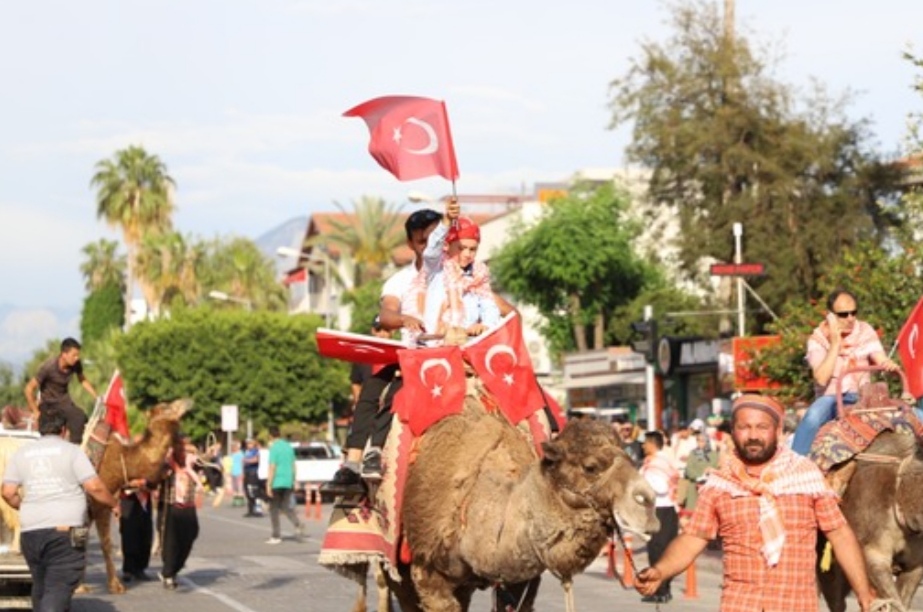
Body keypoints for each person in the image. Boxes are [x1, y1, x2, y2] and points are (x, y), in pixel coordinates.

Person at [635, 394, 876, 612]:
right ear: (733, 432)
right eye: (744, 427)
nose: (753, 435)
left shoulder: (806, 477)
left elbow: (840, 534)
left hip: (795, 605)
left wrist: (865, 595)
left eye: (762, 427)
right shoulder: (720, 485)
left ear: (778, 430)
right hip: (739, 604)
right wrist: (660, 571)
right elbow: (693, 538)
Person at [324, 209, 444, 494]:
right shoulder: (399, 282)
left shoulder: (459, 276)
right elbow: (387, 314)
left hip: (456, 354)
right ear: (410, 244)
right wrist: (403, 319)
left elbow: (494, 306)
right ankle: (356, 463)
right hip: (414, 357)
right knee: (375, 388)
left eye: (435, 238)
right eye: (421, 241)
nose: (429, 246)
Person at [1, 406, 120, 610]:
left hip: (31, 533)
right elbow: (94, 487)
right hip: (71, 530)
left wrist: (27, 507)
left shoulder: (22, 454)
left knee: (42, 585)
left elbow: (7, 492)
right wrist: (114, 503)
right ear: (64, 430)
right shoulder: (73, 452)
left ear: (39, 429)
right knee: (61, 584)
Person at [791, 288, 899, 455]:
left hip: (865, 397)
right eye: (843, 314)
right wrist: (835, 343)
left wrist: (888, 365)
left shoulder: (865, 331)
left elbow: (880, 358)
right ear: (830, 315)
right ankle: (795, 465)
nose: (850, 319)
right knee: (812, 417)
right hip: (831, 399)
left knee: (913, 415)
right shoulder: (817, 339)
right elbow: (820, 378)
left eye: (854, 313)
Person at [420, 197, 501, 339]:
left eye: (472, 249)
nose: (467, 254)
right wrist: (447, 221)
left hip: (466, 345)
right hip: (436, 344)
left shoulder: (479, 273)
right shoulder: (437, 267)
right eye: (461, 248)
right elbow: (431, 249)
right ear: (447, 245)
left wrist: (485, 326)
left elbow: (489, 306)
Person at [24, 337, 98, 444]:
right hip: (48, 404)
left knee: (80, 417)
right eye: (74, 355)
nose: (77, 358)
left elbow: (82, 380)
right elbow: (28, 389)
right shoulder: (48, 367)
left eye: (78, 355)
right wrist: (36, 411)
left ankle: (74, 450)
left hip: (64, 403)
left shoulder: (76, 364)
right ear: (64, 354)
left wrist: (97, 397)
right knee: (49, 430)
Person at [639, 430, 679, 604]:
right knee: (667, 550)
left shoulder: (655, 464)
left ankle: (659, 590)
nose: (642, 445)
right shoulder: (665, 460)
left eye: (645, 442)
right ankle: (665, 589)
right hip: (669, 510)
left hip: (659, 511)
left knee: (657, 551)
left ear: (652, 444)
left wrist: (643, 487)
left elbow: (660, 487)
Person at [158, 434, 203, 589]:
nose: (186, 451)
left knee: (191, 535)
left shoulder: (192, 463)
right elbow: (157, 476)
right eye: (183, 447)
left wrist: (203, 454)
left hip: (188, 506)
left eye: (188, 447)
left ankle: (175, 568)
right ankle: (168, 574)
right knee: (171, 542)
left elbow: (205, 464)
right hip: (171, 505)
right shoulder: (168, 463)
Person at [265, 426, 305, 545]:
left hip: (277, 481)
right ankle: (297, 523)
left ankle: (276, 535)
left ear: (271, 436)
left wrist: (268, 484)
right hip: (288, 481)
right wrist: (294, 480)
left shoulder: (274, 448)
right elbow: (293, 465)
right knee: (286, 506)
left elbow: (272, 466)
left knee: (274, 509)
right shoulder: (288, 447)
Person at [119, 475, 155, 584]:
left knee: (145, 534)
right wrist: (131, 483)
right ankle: (128, 569)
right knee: (128, 535)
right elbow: (117, 480)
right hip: (128, 501)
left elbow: (154, 481)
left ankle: (141, 568)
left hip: (145, 500)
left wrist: (145, 482)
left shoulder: (146, 466)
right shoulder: (125, 464)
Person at [242, 438, 262, 517]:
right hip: (247, 472)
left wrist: (247, 460)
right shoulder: (246, 452)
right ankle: (250, 510)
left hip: (253, 472)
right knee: (248, 491)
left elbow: (256, 460)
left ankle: (257, 509)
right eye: (247, 444)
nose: (248, 445)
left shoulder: (256, 451)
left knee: (254, 491)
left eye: (250, 443)